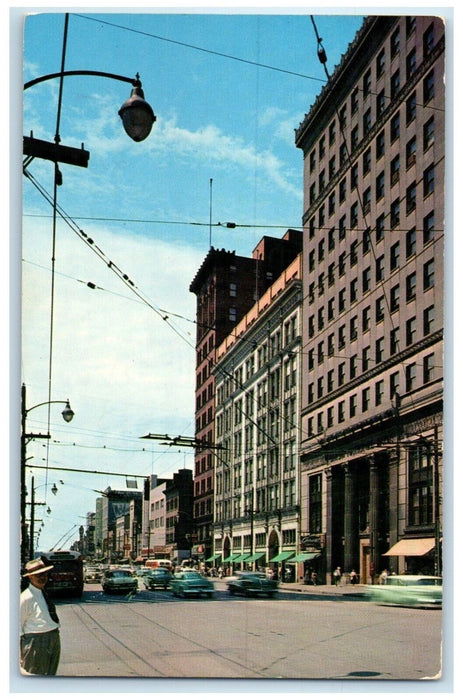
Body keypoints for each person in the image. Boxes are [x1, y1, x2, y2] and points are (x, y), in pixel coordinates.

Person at [20, 558, 61, 675]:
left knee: (50, 675)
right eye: (38, 575)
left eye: (44, 574)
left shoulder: (43, 592)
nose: (42, 577)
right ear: (30, 577)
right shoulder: (25, 598)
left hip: (53, 637)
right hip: (36, 641)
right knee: (35, 677)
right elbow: (16, 628)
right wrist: (19, 654)